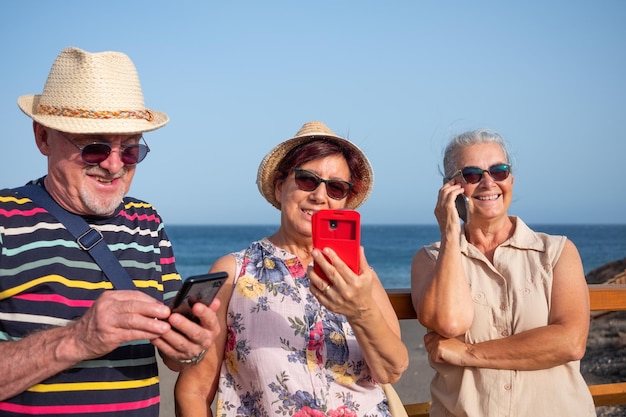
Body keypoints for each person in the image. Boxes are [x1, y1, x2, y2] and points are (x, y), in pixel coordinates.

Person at [0, 47, 220, 416]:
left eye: (130, 150)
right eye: (95, 148)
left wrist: (190, 348)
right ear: (43, 137)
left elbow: (176, 361)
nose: (114, 166)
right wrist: (78, 339)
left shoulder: (147, 223)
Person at [175, 121, 409, 417]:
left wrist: (360, 308)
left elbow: (392, 370)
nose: (319, 196)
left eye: (336, 187)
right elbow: (193, 389)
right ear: (279, 185)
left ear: (346, 203)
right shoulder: (235, 272)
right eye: (307, 180)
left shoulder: (360, 277)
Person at [410, 128, 596, 416]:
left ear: (511, 179)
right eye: (472, 174)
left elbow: (570, 342)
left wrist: (467, 354)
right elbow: (448, 323)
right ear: (451, 187)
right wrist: (449, 231)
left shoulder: (557, 252)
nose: (488, 182)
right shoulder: (430, 259)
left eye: (499, 171)